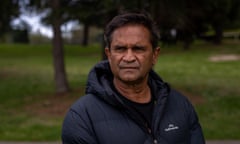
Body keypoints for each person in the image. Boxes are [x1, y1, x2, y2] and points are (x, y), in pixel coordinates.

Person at [62, 11, 205, 144]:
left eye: (138, 49)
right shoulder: (81, 117)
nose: (129, 57)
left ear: (154, 55)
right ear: (109, 55)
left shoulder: (180, 105)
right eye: (120, 49)